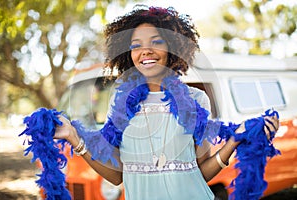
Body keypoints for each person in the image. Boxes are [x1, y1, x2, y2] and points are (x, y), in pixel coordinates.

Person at [54, 5, 279, 200]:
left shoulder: (196, 99)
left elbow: (201, 173)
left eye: (156, 42)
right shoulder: (120, 103)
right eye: (136, 45)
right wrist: (75, 139)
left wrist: (234, 140)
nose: (146, 51)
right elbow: (117, 176)